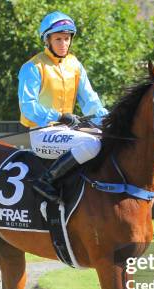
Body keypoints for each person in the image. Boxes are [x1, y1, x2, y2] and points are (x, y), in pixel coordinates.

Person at [18, 11, 108, 202]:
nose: (63, 43)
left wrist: (108, 119)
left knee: (109, 139)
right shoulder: (32, 67)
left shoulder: (75, 65)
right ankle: (46, 180)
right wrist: (57, 116)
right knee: (91, 144)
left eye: (67, 39)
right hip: (42, 134)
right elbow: (28, 107)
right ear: (47, 40)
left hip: (68, 131)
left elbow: (90, 101)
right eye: (58, 39)